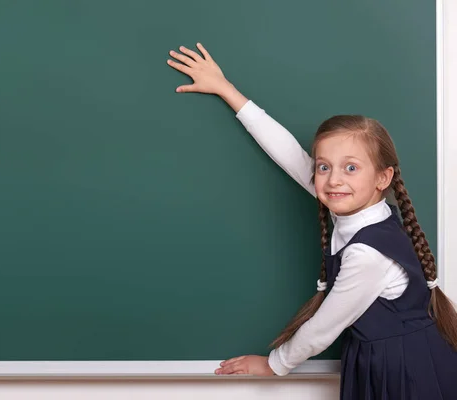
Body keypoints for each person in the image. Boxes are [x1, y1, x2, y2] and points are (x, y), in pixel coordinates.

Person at [167, 43, 457, 399]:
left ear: (383, 178)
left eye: (351, 167)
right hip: (382, 361)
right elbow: (289, 153)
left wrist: (274, 365)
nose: (334, 179)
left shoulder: (367, 254)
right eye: (324, 167)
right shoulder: (356, 206)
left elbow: (323, 327)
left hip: (405, 371)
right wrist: (226, 89)